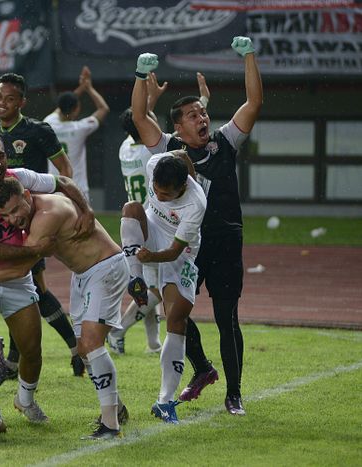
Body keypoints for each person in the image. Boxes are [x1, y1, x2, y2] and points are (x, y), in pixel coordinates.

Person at [130, 36, 263, 416]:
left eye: (201, 113)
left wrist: (249, 57)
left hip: (222, 240)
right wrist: (140, 75)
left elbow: (254, 103)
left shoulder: (224, 142)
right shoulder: (168, 148)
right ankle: (203, 369)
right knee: (177, 313)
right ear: (177, 125)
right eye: (192, 115)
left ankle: (234, 393)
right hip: (186, 244)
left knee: (226, 316)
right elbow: (140, 117)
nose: (201, 119)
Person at [0, 176, 131, 440]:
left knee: (91, 345)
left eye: (15, 210)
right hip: (83, 274)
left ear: (27, 196)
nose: (13, 219)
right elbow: (63, 182)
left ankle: (110, 425)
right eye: (6, 215)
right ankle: (116, 408)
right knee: (84, 350)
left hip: (104, 268)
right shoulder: (34, 203)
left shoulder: (45, 216)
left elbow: (21, 268)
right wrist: (85, 208)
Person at [0, 131, 95, 435]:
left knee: (32, 349)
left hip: (17, 277)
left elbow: (64, 182)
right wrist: (33, 250)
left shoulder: (20, 177)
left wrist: (86, 209)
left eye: (0, 156)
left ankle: (25, 400)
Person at [0, 73, 82, 378]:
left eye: (10, 98)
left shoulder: (38, 130)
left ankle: (75, 349)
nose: (2, 103)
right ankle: (16, 359)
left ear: (22, 102)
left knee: (33, 287)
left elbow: (64, 168)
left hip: (31, 219)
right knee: (21, 287)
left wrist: (63, 205)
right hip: (3, 221)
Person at [109, 72, 210, 355]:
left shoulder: (125, 149)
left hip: (135, 221)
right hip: (157, 223)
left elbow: (139, 119)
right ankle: (119, 329)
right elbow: (180, 139)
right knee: (153, 292)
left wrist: (149, 100)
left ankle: (152, 342)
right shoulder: (154, 158)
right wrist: (202, 103)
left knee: (147, 285)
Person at [120, 151, 207, 424]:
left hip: (180, 252)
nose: (158, 197)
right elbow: (180, 152)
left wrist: (150, 257)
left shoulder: (196, 205)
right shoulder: (155, 164)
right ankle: (135, 279)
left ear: (182, 187)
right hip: (152, 232)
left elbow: (172, 252)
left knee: (177, 318)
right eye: (155, 190)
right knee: (132, 207)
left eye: (165, 195)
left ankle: (165, 401)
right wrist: (141, 263)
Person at [43, 66, 109, 201]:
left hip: (55, 187)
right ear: (75, 110)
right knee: (82, 222)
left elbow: (64, 105)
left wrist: (80, 89)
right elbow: (103, 108)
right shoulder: (80, 128)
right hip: (77, 188)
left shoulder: (48, 123)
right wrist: (88, 87)